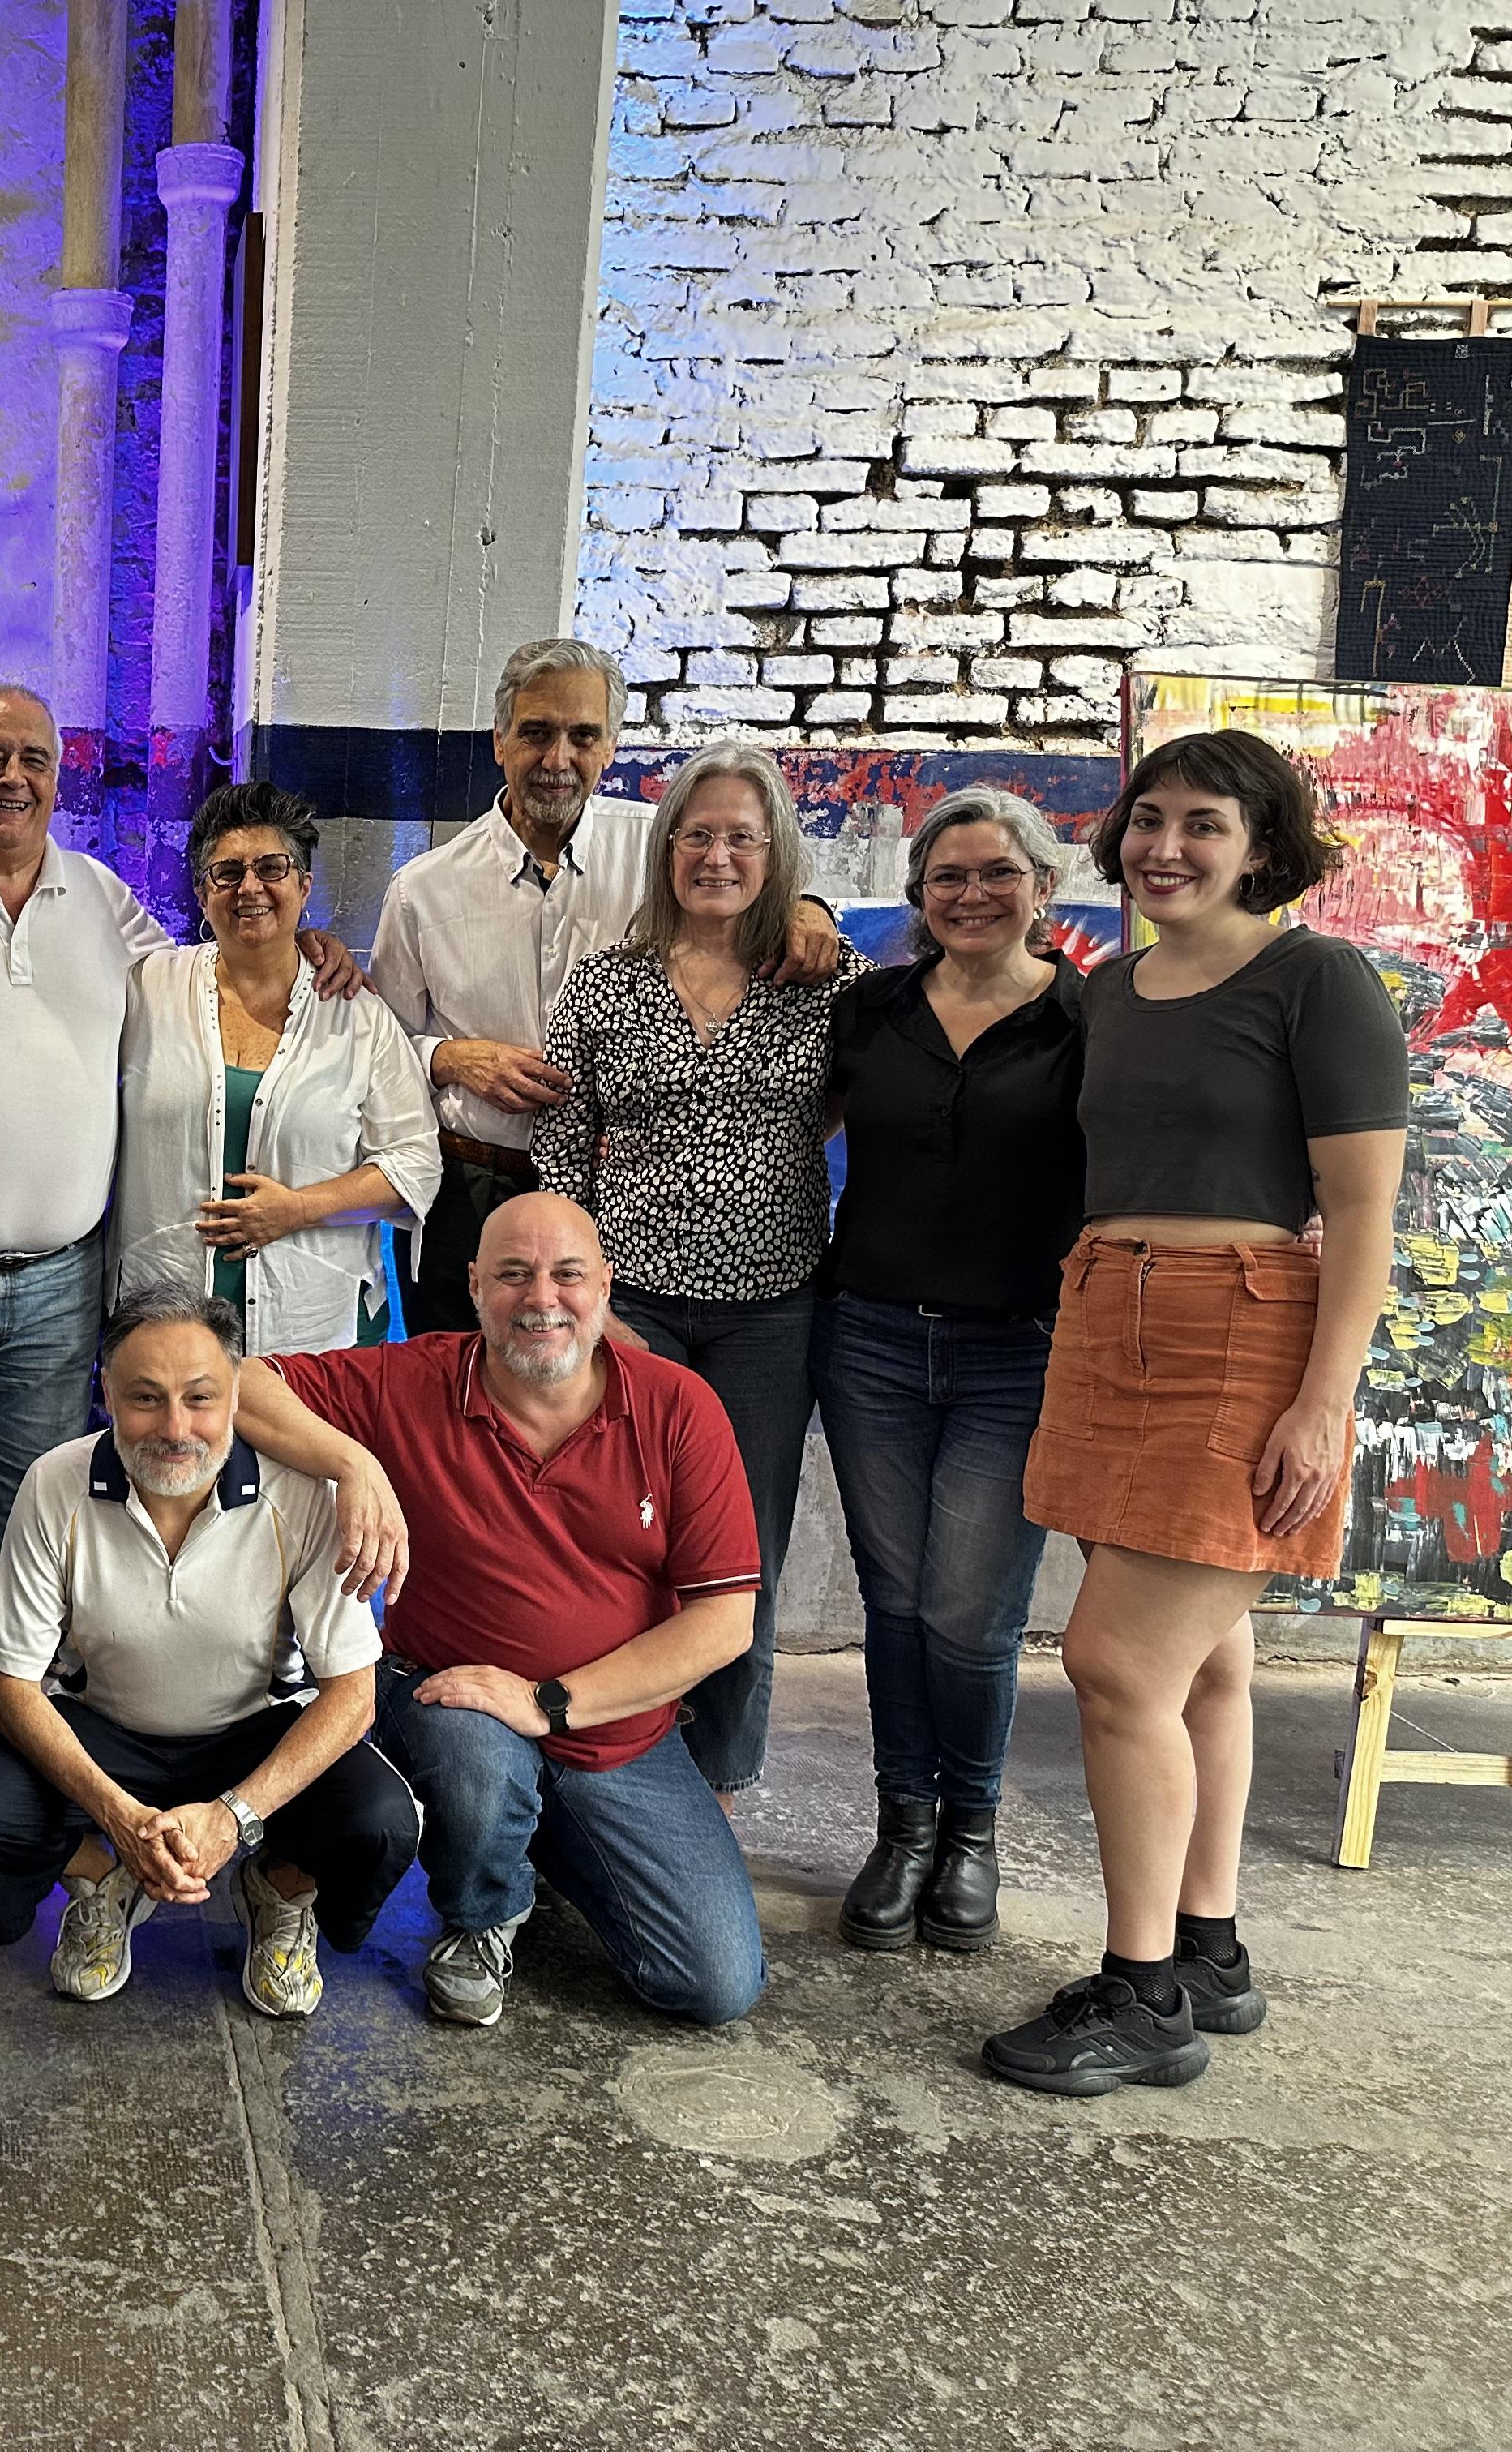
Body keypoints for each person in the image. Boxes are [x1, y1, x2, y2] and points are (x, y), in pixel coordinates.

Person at [982, 731, 1407, 2096]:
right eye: (1148, 818)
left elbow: (1362, 1212)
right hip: (1109, 1314)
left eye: (1203, 823)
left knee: (1116, 1665)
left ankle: (1142, 1991)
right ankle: (1207, 1945)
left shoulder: (1316, 979)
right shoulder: (1115, 989)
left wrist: (1322, 1401)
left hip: (1244, 1325)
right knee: (1202, 1661)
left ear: (1262, 844)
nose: (1164, 846)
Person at [0, 681, 358, 1605]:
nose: (13, 777)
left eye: (34, 759)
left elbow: (209, 975)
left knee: (29, 1515)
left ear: (58, 781)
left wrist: (310, 949)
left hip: (61, 1283)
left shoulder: (101, 899)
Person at [229, 1193, 770, 2030]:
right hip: (448, 1698)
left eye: (567, 1275)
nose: (541, 1299)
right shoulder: (413, 1379)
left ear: (605, 1288)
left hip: (618, 1733)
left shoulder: (678, 1406)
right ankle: (483, 1916)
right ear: (476, 1286)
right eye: (514, 1275)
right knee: (479, 1766)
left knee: (715, 1985)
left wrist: (547, 1701)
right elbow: (237, 1382)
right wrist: (353, 1464)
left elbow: (724, 1622)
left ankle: (536, 1840)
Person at [532, 740, 867, 1801]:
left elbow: (868, 1100)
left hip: (771, 1316)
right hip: (631, 1311)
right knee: (612, 1538)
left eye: (742, 839)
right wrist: (588, 1306)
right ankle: (604, 1767)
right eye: (698, 834)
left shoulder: (827, 984)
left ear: (778, 855)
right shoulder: (608, 984)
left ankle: (717, 1779)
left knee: (740, 1548)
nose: (717, 856)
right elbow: (560, 1149)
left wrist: (819, 921)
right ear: (666, 847)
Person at [0, 1288, 420, 2017]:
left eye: (200, 1398)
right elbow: (11, 1684)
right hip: (104, 1729)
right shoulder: (55, 1481)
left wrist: (233, 1816)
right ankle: (99, 1877)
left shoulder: (301, 1493)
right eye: (145, 1398)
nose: (175, 1428)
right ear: (106, 1394)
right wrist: (120, 1819)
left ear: (237, 1399)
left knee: (381, 1819)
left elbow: (353, 1696)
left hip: (251, 1730)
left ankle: (280, 1886)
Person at [369, 640, 843, 1335]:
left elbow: (749, 881)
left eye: (583, 736)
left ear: (612, 745)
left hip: (621, 1197)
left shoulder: (669, 849)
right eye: (536, 732)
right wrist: (448, 1058)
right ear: (499, 740)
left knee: (603, 1392)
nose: (558, 758)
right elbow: (377, 1052)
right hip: (472, 1185)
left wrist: (808, 907)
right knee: (458, 1383)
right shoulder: (423, 890)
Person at [814, 791, 1086, 1955]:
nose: (973, 895)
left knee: (971, 1615)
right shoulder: (867, 1010)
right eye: (949, 877)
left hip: (1015, 1353)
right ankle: (904, 1829)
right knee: (895, 1601)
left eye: (997, 873)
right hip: (869, 1341)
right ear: (919, 895)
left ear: (1043, 886)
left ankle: (972, 1834)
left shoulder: (1090, 1017)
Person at [111, 782, 439, 1355]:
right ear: (201, 892)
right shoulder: (146, 990)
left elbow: (415, 1166)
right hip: (164, 1323)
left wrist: (299, 1209)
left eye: (272, 868)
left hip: (316, 1329)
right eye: (227, 872)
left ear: (303, 886)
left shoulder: (357, 1015)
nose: (250, 887)